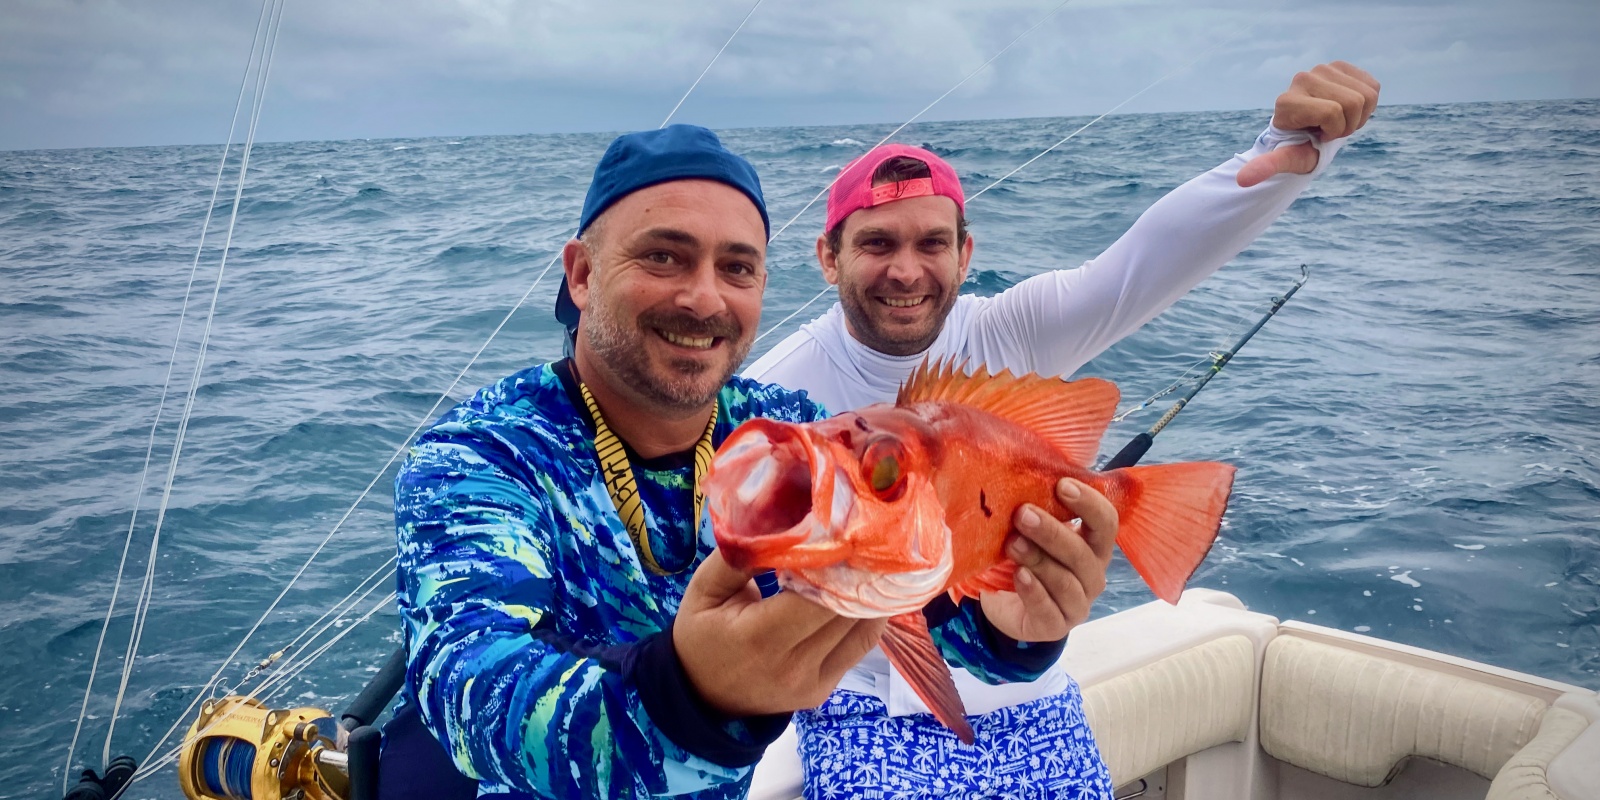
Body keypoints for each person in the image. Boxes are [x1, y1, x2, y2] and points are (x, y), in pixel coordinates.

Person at [383, 124, 1120, 800]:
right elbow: (468, 688)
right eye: (664, 256)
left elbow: (929, 610)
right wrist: (695, 694)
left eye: (737, 268)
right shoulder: (483, 456)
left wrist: (1015, 627)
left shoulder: (791, 433)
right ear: (580, 275)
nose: (704, 298)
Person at [742, 62, 1381, 796]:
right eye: (877, 244)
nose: (907, 270)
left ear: (965, 253)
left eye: (932, 243)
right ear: (829, 257)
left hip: (1026, 689)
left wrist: (1290, 150)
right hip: (861, 701)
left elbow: (1145, 263)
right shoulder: (777, 393)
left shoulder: (1012, 328)